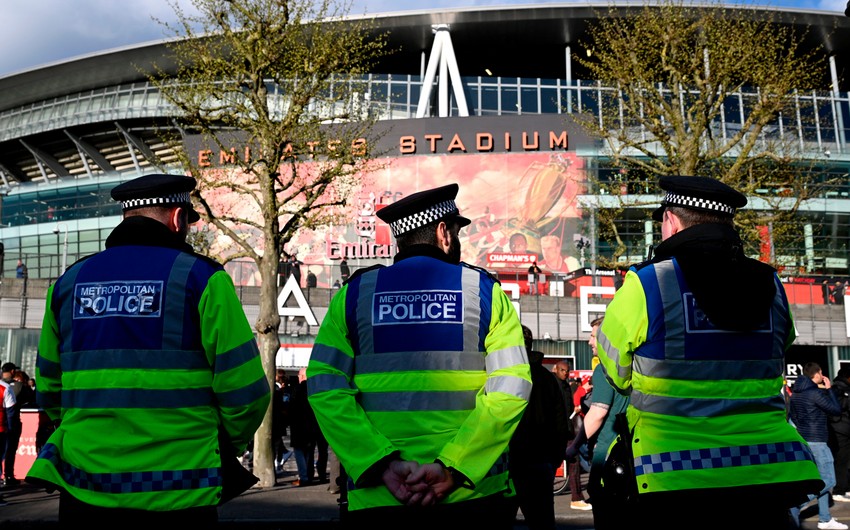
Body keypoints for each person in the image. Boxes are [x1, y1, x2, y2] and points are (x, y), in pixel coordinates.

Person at [27, 173, 270, 525]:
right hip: (180, 487)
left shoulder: (68, 282)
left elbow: (48, 385)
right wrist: (220, 445)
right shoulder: (203, 280)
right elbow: (245, 391)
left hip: (84, 486)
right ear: (177, 218)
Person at [596, 175, 822, 528]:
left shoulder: (646, 283)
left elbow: (616, 373)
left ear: (670, 220)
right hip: (767, 471)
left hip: (669, 475)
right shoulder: (773, 285)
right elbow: (782, 346)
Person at [307, 183, 530, 528]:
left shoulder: (353, 296)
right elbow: (511, 389)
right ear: (443, 232)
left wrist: (381, 464)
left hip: (380, 496)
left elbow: (324, 387)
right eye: (457, 231)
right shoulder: (484, 293)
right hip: (471, 499)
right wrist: (453, 468)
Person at [565, 316, 630, 529]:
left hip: (606, 455)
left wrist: (574, 446)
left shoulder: (603, 370)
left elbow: (598, 413)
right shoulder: (630, 366)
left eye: (593, 336)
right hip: (630, 451)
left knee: (605, 514)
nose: (590, 342)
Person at [509, 325, 571, 529]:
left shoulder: (503, 375)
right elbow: (561, 423)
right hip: (539, 462)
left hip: (505, 463)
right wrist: (554, 459)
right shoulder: (547, 379)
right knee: (542, 524)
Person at [791, 363, 847, 529]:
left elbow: (792, 416)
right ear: (817, 374)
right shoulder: (815, 393)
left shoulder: (796, 394)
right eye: (821, 372)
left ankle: (825, 519)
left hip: (804, 441)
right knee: (829, 480)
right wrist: (829, 389)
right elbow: (836, 410)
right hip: (818, 441)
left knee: (819, 479)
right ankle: (796, 504)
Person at [289, 367, 328, 487]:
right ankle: (311, 475)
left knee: (299, 452)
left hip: (299, 427)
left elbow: (292, 409)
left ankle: (305, 477)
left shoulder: (297, 390)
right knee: (310, 453)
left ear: (301, 377)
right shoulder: (315, 390)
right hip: (313, 426)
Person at [830, 367, 850, 503]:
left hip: (842, 429)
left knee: (846, 461)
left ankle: (845, 488)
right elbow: (837, 408)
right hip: (841, 430)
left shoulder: (840, 388)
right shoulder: (839, 389)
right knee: (841, 461)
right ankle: (839, 490)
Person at [1, 362, 22, 487]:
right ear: (13, 371)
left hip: (4, 424)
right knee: (10, 450)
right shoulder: (18, 386)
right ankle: (8, 475)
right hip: (10, 424)